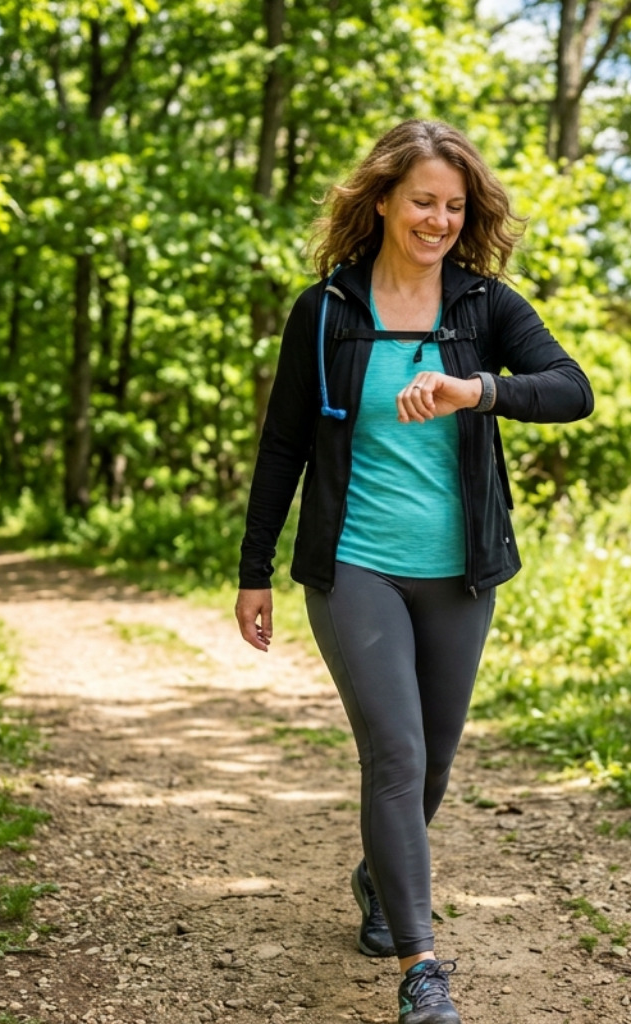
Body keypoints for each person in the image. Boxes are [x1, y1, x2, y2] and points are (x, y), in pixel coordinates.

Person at [234, 119, 593, 1024]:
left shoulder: (482, 307)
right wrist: (254, 568)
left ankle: (378, 876)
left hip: (460, 572)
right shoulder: (326, 312)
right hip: (355, 564)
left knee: (431, 763)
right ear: (384, 201)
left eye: (454, 206)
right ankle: (420, 969)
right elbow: (282, 446)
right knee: (394, 753)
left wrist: (478, 389)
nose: (438, 220)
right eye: (423, 201)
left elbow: (572, 390)